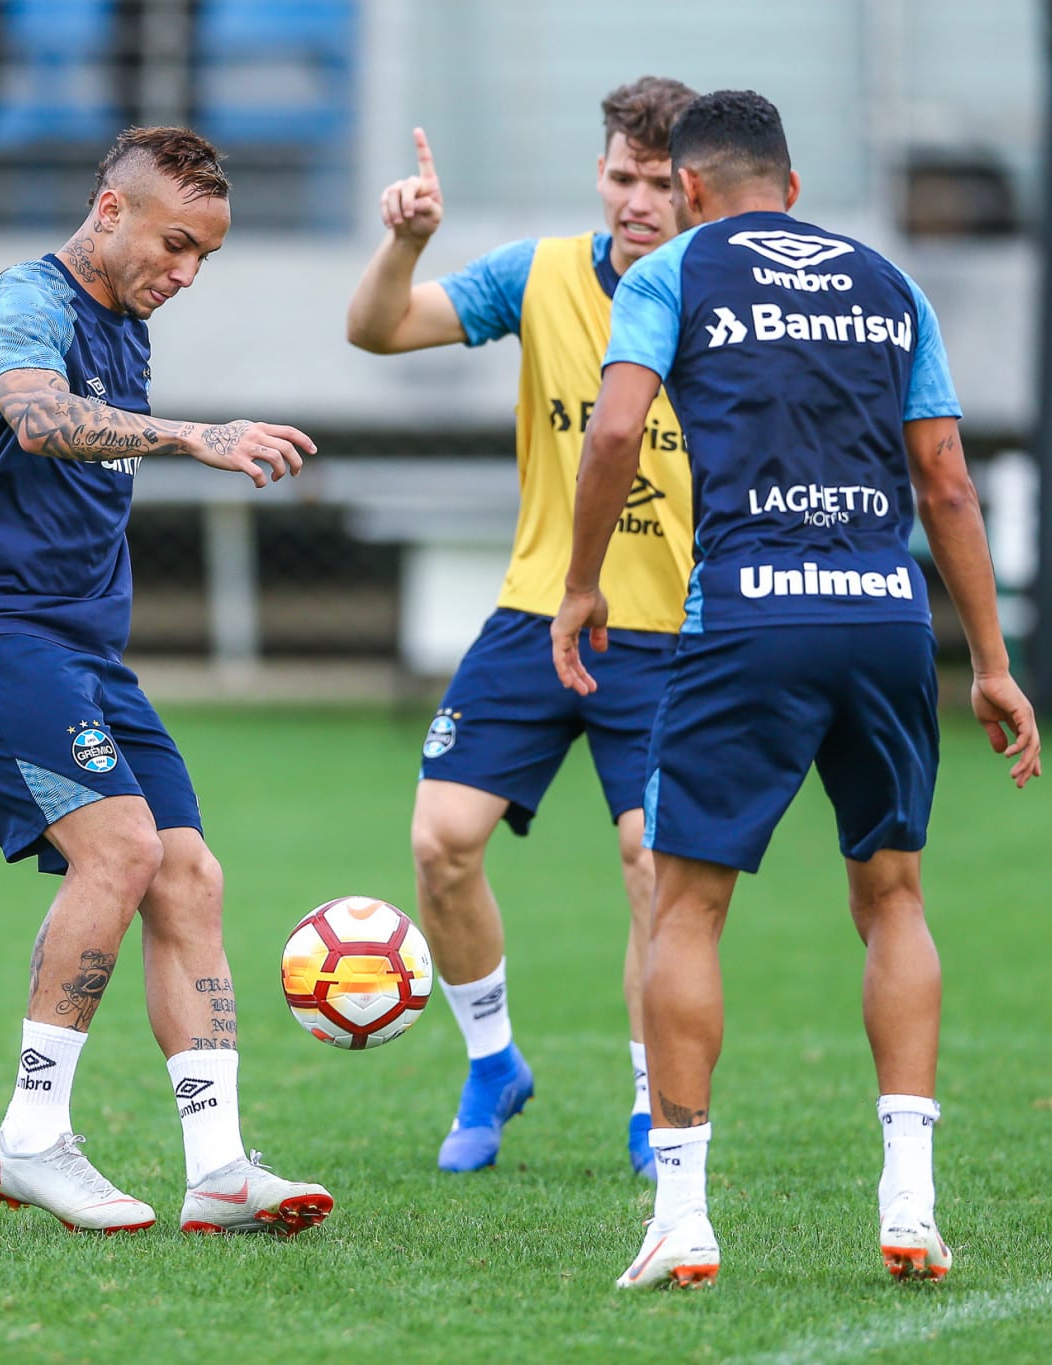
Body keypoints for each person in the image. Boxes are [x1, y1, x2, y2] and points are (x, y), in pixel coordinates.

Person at [551, 90, 1040, 1289]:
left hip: (745, 617)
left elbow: (613, 435)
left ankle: (680, 1216)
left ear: (692, 189)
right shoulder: (888, 285)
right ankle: (911, 1204)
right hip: (883, 616)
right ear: (794, 185)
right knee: (891, 899)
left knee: (684, 910)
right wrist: (988, 658)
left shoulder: (671, 271)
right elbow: (945, 482)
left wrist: (579, 583)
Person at [0, 127, 331, 1236]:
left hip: (82, 656)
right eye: (174, 244)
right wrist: (193, 435)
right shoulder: (24, 305)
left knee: (186, 873)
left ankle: (219, 1168)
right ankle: (31, 1138)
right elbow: (37, 419)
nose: (184, 273)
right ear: (109, 210)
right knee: (124, 849)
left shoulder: (125, 325)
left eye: (204, 257)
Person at [344, 77, 698, 1177]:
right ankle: (492, 1062)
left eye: (656, 183)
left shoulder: (725, 302)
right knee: (439, 844)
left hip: (670, 634)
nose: (634, 200)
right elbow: (377, 330)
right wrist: (404, 243)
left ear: (694, 190)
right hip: (535, 612)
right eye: (619, 177)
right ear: (599, 173)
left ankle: (652, 1106)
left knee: (651, 865)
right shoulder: (538, 275)